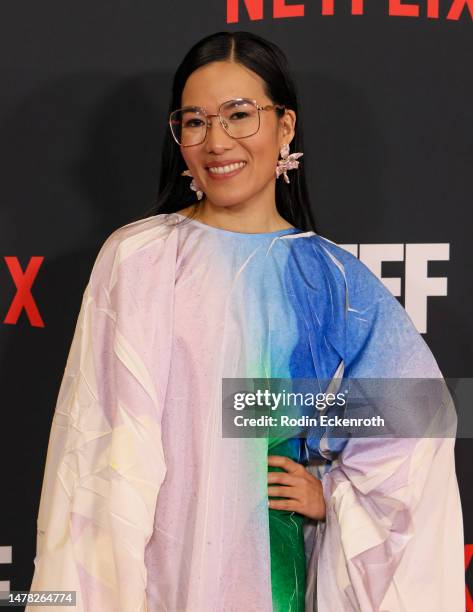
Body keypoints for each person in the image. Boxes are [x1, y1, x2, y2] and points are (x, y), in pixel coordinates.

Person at [27, 31, 464, 612]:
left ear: (285, 126)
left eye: (239, 115)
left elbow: (418, 421)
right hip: (152, 574)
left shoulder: (330, 281)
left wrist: (333, 494)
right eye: (195, 122)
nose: (217, 141)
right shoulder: (139, 259)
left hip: (272, 573)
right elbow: (96, 451)